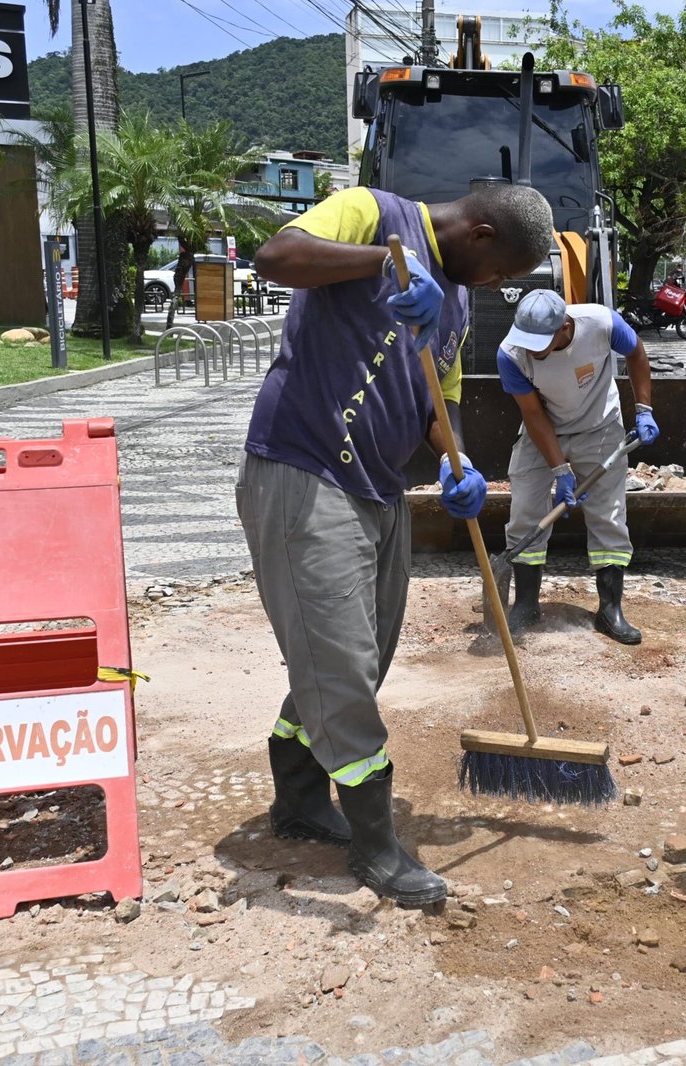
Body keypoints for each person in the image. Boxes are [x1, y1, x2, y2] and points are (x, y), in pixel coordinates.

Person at [237, 181, 554, 909]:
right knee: (341, 662)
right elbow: (275, 256)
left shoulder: (460, 302)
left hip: (378, 488)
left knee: (362, 653)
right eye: (503, 270)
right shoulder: (373, 213)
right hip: (303, 469)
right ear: (479, 234)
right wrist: (383, 263)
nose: (499, 285)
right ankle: (375, 845)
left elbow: (435, 394)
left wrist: (459, 463)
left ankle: (297, 793)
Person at [496, 289, 658, 644]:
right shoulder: (511, 354)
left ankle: (610, 609)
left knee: (608, 514)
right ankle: (525, 604)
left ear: (565, 326)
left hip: (599, 426)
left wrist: (643, 409)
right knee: (525, 510)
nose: (531, 348)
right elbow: (533, 414)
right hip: (543, 430)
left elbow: (636, 352)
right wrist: (560, 470)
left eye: (539, 340)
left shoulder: (600, 323)